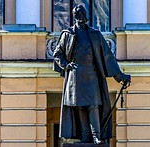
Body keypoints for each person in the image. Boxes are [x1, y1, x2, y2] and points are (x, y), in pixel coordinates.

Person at [53, 4, 131, 144]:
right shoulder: (68, 34)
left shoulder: (95, 35)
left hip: (92, 74)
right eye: (78, 15)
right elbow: (58, 54)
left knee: (93, 105)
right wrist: (66, 65)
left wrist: (120, 76)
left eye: (83, 15)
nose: (81, 17)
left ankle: (96, 136)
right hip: (75, 75)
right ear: (75, 17)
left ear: (86, 16)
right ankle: (85, 137)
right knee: (80, 107)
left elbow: (107, 57)